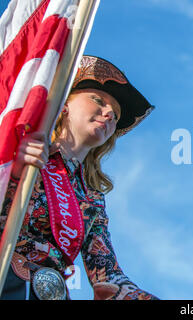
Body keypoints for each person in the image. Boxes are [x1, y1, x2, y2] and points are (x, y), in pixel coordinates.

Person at [0, 55, 158, 300]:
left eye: (115, 116)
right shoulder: (16, 147)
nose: (109, 115)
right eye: (98, 100)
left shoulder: (92, 198)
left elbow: (107, 275)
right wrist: (11, 173)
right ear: (64, 105)